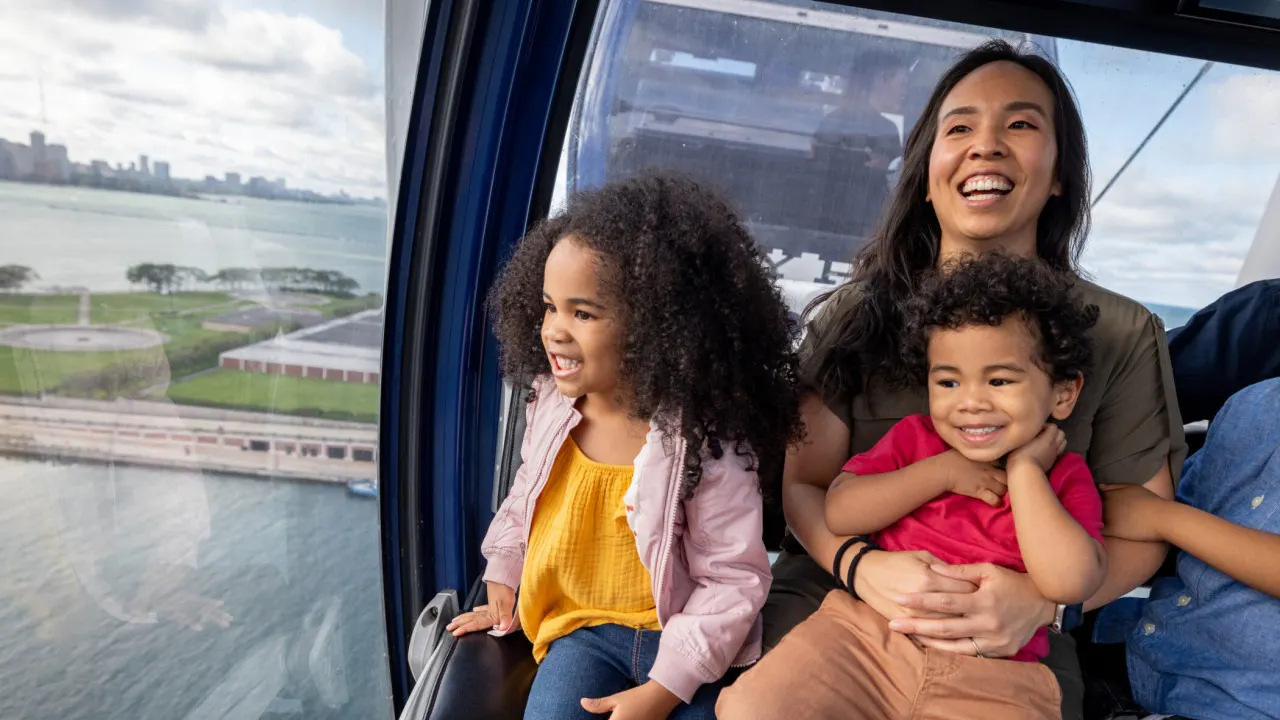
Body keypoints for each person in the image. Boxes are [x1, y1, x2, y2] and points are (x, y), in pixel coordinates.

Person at [741, 39, 1185, 720]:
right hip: (834, 603)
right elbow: (804, 485)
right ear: (927, 173)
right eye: (960, 128)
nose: (986, 145)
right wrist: (864, 569)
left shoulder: (1122, 333)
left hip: (1011, 646)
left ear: (1060, 172)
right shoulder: (856, 316)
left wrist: (1044, 603)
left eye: (1021, 124)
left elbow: (1142, 529)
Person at [445, 172, 804, 720]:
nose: (554, 330)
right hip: (580, 635)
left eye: (583, 313)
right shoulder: (549, 403)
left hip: (687, 648)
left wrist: (664, 689)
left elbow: (733, 578)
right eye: (549, 306)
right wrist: (503, 571)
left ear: (659, 327)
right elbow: (527, 498)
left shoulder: (703, 440)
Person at [718, 252, 1109, 719]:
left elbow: (1070, 581)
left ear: (1063, 394)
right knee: (755, 707)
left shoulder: (1063, 476)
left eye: (999, 380)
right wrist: (940, 473)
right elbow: (841, 513)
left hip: (997, 670)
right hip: (863, 639)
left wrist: (1026, 473)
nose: (970, 402)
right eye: (947, 382)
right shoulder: (915, 440)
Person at [1102, 377, 1280, 720]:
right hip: (1147, 657)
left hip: (1245, 703)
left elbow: (1159, 518)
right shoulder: (1251, 403)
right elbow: (1170, 516)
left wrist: (1162, 518)